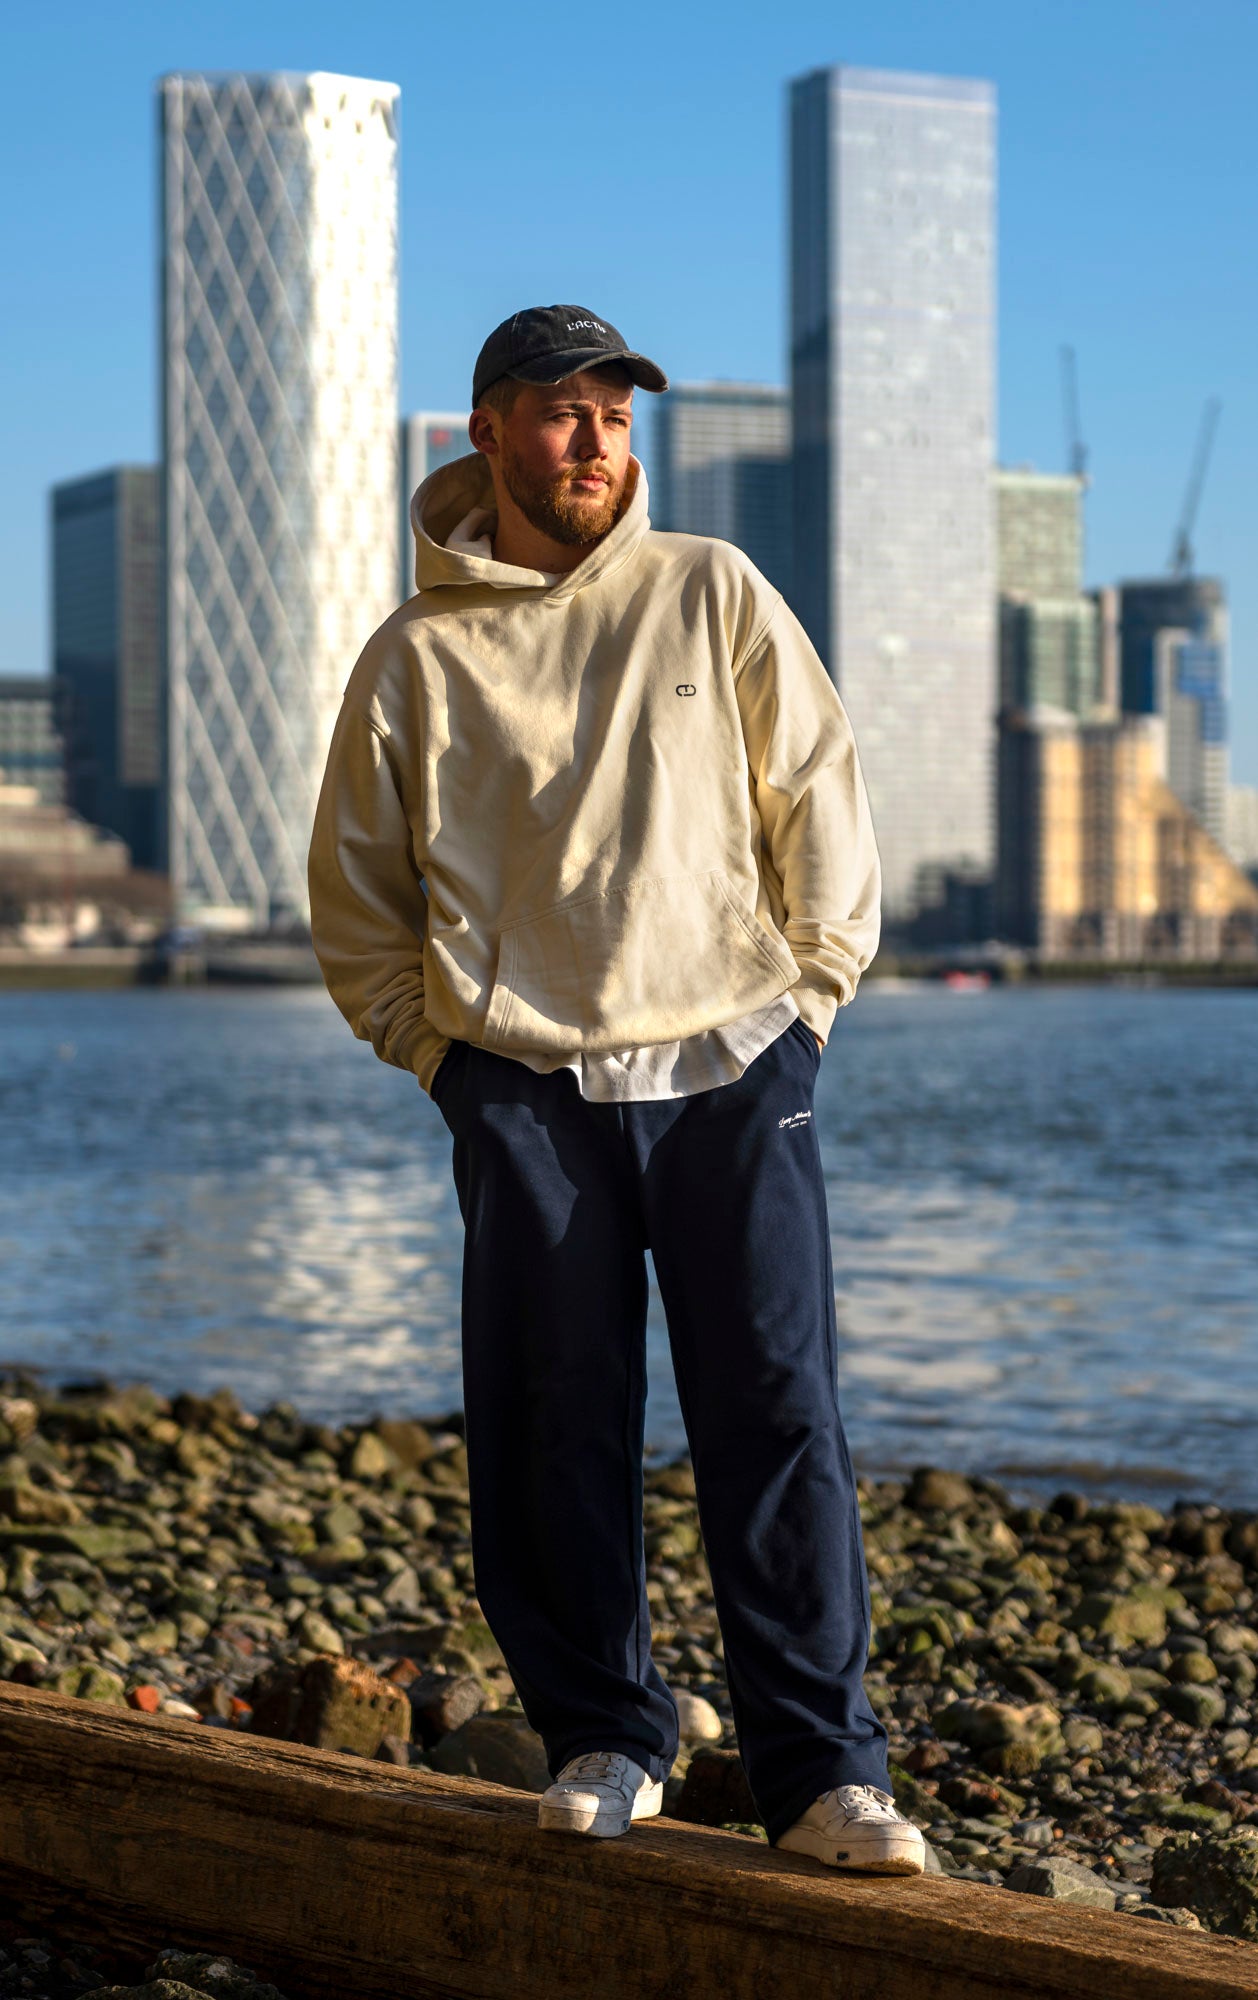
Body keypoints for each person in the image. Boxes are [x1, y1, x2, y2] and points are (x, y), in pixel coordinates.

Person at [307, 304, 925, 1875]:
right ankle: (606, 1731)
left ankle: (819, 1775)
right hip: (521, 1083)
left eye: (614, 415)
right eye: (560, 411)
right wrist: (439, 1056)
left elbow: (819, 803)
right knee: (548, 1418)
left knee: (776, 1407)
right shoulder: (417, 657)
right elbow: (359, 894)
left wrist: (808, 1007)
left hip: (732, 1062)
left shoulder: (711, 591)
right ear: (484, 434)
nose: (594, 441)